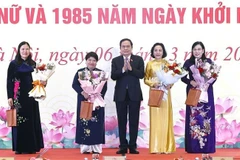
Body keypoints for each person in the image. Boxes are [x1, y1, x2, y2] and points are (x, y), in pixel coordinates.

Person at [6, 41, 44, 154]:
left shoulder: (33, 64)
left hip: (31, 96)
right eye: (22, 49)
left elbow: (38, 79)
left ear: (30, 50)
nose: (25, 51)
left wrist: (43, 83)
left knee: (31, 121)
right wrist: (9, 96)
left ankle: (31, 147)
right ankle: (19, 147)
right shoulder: (14, 64)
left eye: (27, 49)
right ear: (19, 50)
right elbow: (9, 81)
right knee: (19, 122)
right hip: (18, 96)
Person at [181, 41, 216, 153]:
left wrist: (207, 84)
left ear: (203, 50)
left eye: (199, 49)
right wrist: (190, 81)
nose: (197, 51)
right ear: (192, 51)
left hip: (206, 92)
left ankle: (207, 147)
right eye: (195, 49)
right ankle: (193, 147)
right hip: (194, 92)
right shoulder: (188, 62)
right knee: (194, 118)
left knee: (207, 117)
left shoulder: (208, 62)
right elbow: (181, 76)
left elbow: (214, 75)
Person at [111, 38, 144, 154]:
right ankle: (123, 146)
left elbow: (141, 75)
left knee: (134, 121)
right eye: (123, 46)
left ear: (131, 47)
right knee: (122, 121)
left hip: (134, 95)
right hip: (120, 95)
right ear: (120, 48)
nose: (125, 48)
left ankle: (133, 145)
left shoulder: (138, 60)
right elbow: (113, 76)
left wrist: (131, 69)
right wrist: (123, 70)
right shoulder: (116, 61)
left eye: (128, 46)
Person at [72, 52, 107, 154]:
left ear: (96, 62)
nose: (92, 62)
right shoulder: (80, 72)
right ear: (86, 61)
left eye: (94, 60)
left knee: (97, 123)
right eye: (90, 60)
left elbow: (104, 87)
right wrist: (83, 92)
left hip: (97, 101)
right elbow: (74, 85)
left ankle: (96, 148)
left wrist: (96, 94)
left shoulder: (101, 73)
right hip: (84, 101)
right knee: (85, 122)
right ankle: (85, 148)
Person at [144, 42, 176, 154]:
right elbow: (146, 79)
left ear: (163, 52)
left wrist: (169, 84)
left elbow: (172, 77)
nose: (158, 52)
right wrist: (153, 84)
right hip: (155, 93)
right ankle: (156, 147)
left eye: (160, 50)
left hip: (166, 95)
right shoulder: (149, 64)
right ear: (152, 52)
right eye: (156, 50)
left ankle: (167, 147)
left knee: (165, 118)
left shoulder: (167, 64)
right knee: (155, 119)